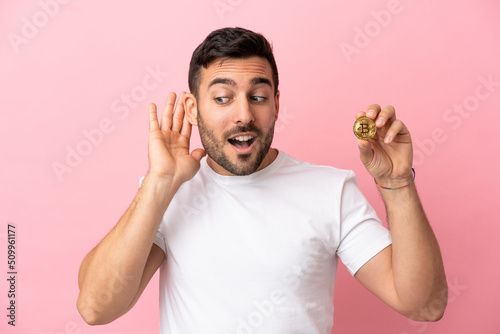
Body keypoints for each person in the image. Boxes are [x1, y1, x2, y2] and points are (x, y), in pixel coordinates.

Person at [77, 27, 447, 333]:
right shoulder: (169, 192)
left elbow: (425, 306)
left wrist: (397, 182)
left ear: (276, 104)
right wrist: (160, 182)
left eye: (258, 96)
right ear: (193, 109)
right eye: (222, 98)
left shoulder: (330, 190)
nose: (244, 114)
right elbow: (96, 308)